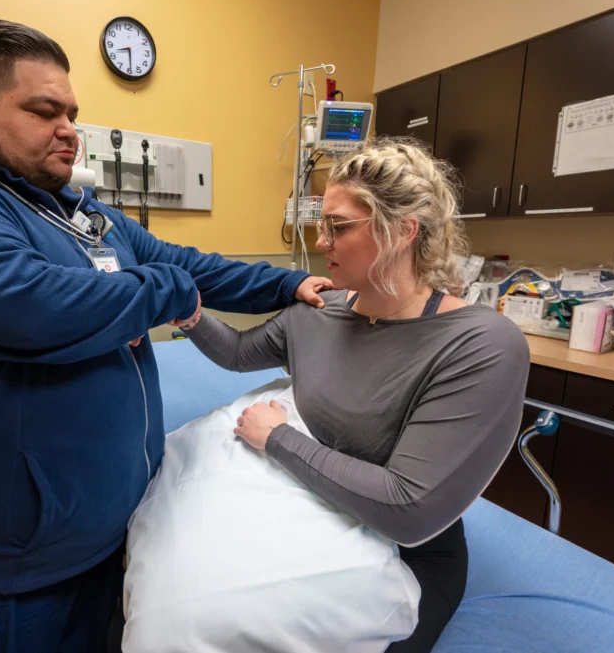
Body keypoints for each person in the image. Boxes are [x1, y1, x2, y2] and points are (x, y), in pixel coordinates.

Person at [0, 17, 331, 652]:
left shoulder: (84, 217)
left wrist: (288, 287)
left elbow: (192, 265)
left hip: (103, 540)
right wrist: (166, 290)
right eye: (44, 111)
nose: (69, 131)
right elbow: (35, 308)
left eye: (72, 113)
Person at [182, 137, 530, 653]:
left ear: (401, 232)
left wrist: (278, 438)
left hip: (403, 551)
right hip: (312, 510)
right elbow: (237, 353)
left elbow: (407, 508)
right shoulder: (318, 311)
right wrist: (185, 311)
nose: (321, 241)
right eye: (322, 225)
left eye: (338, 227)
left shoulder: (479, 344)